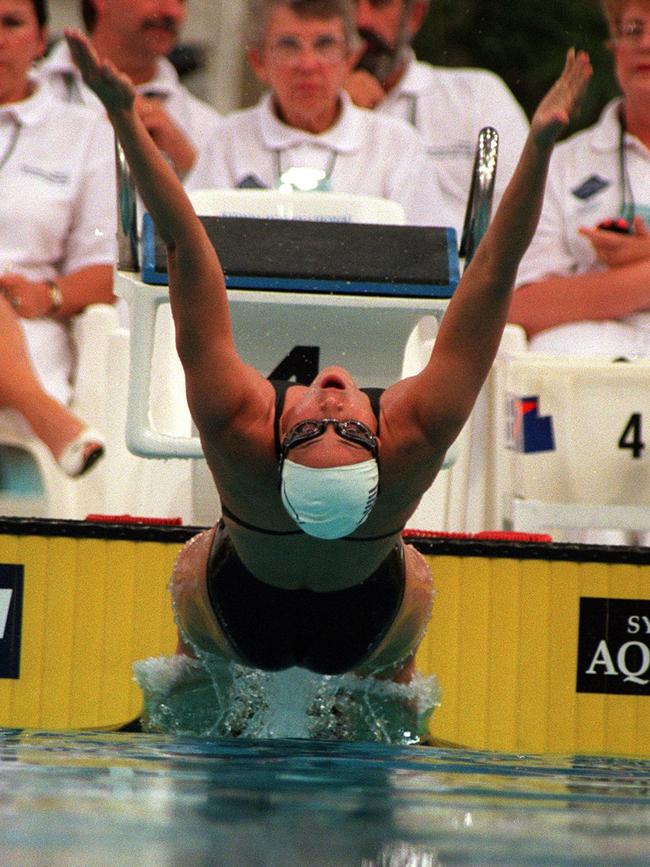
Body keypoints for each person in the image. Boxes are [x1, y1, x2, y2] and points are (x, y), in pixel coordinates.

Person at [66, 27, 591, 733]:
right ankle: (396, 712)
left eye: (319, 421)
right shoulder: (414, 433)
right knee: (413, 581)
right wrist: (542, 145)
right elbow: (494, 268)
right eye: (344, 425)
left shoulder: (237, 424)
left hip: (232, 610)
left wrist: (123, 118)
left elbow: (192, 251)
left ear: (280, 442)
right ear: (379, 447)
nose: (335, 396)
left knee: (196, 569)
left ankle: (180, 692)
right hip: (369, 621)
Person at [186, 0, 445, 227]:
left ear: (350, 59)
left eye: (325, 44)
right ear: (258, 61)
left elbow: (427, 259)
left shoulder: (397, 145)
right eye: (289, 45)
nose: (308, 64)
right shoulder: (227, 139)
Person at [0, 0, 116, 477]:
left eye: (11, 23)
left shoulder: (83, 132)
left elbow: (109, 270)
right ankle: (50, 420)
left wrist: (47, 294)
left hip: (32, 327)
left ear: (40, 38)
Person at [510, 0, 650, 358]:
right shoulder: (564, 163)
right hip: (589, 372)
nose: (646, 43)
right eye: (633, 29)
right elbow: (522, 307)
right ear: (614, 45)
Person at [346, 0, 530, 233]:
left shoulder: (476, 97)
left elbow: (522, 220)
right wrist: (337, 109)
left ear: (415, 15)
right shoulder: (293, 111)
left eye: (379, 3)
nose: (362, 20)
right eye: (349, 4)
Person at [37, 0, 221, 179]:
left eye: (181, 0)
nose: (172, 11)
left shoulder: (208, 130)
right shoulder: (27, 94)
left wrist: (191, 171)